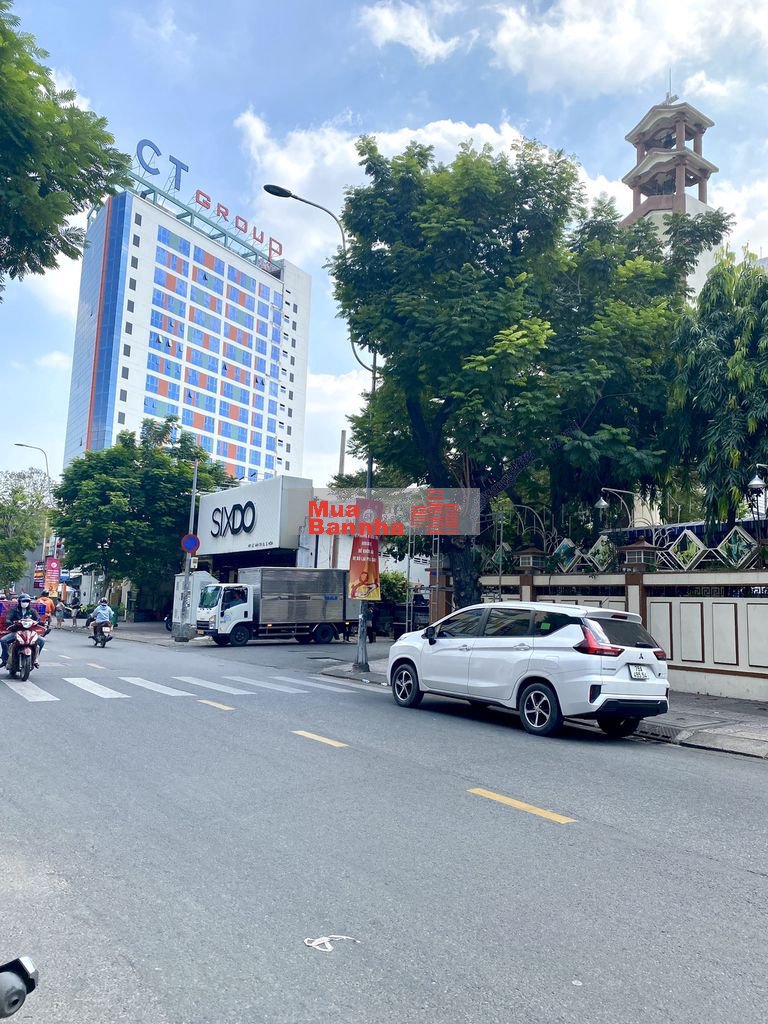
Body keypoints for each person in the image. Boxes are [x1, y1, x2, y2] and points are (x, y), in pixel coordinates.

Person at [1, 594, 45, 668]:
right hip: (16, 631)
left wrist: (39, 622)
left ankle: (35, 658)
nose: (25, 603)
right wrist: (10, 622)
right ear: (19, 602)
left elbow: (38, 619)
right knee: (3, 640)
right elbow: (8, 618)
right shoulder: (14, 610)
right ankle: (5, 659)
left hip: (30, 632)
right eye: (23, 601)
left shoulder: (32, 611)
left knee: (42, 641)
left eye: (27, 601)